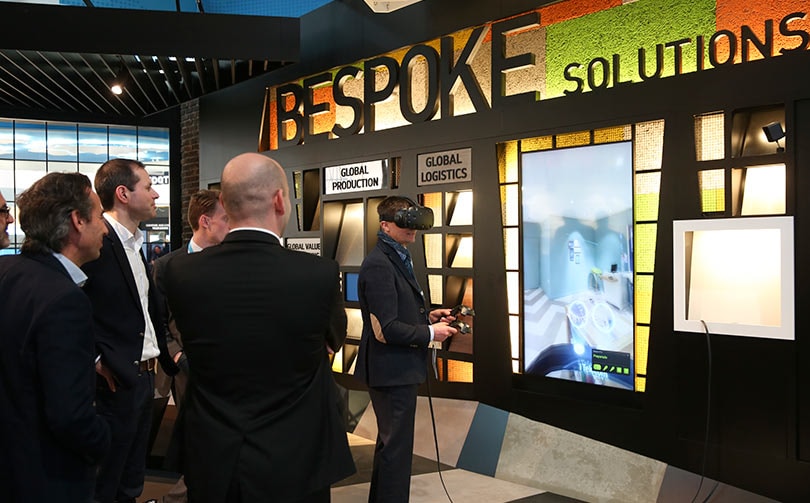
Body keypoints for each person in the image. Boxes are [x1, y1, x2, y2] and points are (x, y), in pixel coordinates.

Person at [163, 152, 355, 503]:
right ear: (280, 200)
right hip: (298, 455)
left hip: (211, 451)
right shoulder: (319, 273)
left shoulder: (179, 272)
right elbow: (332, 339)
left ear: (224, 203)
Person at [0, 173, 111, 502]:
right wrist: (104, 439)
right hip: (46, 476)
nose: (105, 229)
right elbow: (69, 416)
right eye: (100, 216)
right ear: (78, 221)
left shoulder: (8, 272)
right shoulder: (64, 299)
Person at [82, 158, 179, 503]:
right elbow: (70, 305)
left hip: (144, 378)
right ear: (123, 194)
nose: (156, 194)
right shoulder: (96, 241)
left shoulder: (135, 244)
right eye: (148, 186)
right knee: (105, 481)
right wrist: (94, 359)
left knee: (131, 480)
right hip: (113, 383)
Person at [354, 195, 458, 503]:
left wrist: (427, 317)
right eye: (404, 221)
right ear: (385, 225)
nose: (412, 227)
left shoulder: (398, 256)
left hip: (397, 369)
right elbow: (385, 329)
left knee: (392, 446)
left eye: (414, 219)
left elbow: (396, 313)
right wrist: (430, 333)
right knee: (396, 450)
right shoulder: (379, 264)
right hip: (391, 371)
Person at [152, 189, 229, 503]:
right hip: (186, 370)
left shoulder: (232, 263)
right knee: (197, 440)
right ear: (206, 221)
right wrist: (178, 356)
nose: (232, 224)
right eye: (226, 218)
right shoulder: (167, 266)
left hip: (228, 367)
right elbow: (158, 322)